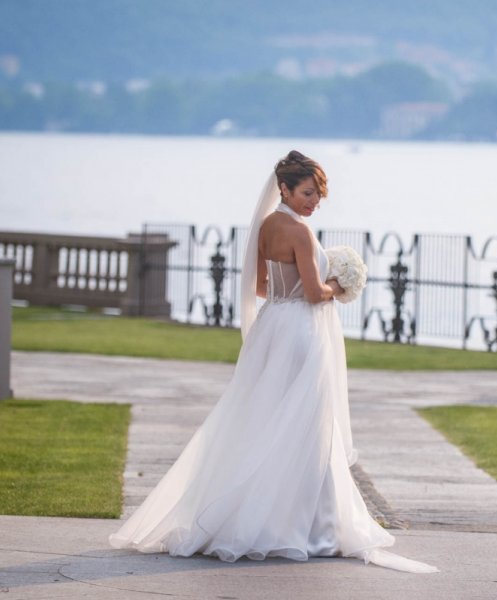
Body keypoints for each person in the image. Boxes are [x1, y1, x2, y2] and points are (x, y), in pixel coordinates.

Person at [109, 151, 437, 573]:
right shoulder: (299, 232)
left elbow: (262, 286)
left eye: (317, 195)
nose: (312, 202)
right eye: (305, 193)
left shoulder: (266, 227)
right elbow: (317, 294)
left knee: (265, 420)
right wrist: (342, 283)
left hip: (272, 328)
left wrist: (307, 287)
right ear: (283, 188)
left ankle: (256, 517)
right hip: (301, 332)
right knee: (306, 425)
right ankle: (310, 526)